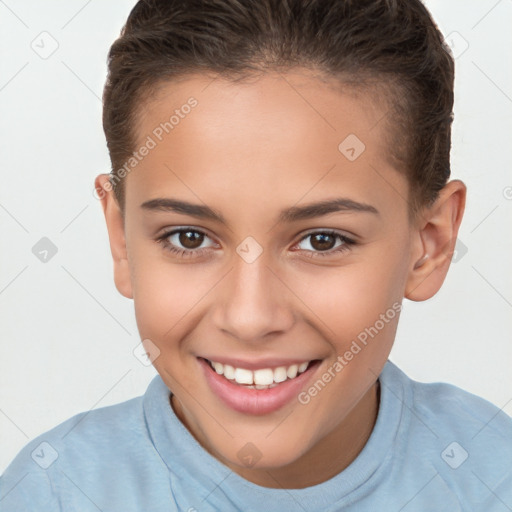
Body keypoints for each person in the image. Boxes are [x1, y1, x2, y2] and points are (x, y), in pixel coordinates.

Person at [1, 0, 511, 510]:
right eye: (189, 238)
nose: (249, 318)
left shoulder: (493, 476)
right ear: (122, 238)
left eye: (322, 241)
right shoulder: (54, 493)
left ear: (430, 243)